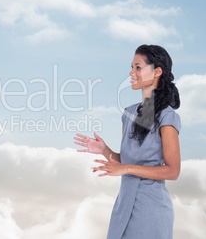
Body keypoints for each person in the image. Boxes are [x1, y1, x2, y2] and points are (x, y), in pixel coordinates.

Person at [74, 44, 181, 239]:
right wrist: (105, 150)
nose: (131, 73)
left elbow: (172, 171)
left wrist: (126, 169)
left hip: (151, 209)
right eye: (131, 67)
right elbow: (129, 160)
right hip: (123, 206)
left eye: (138, 67)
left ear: (157, 71)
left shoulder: (167, 117)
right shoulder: (129, 114)